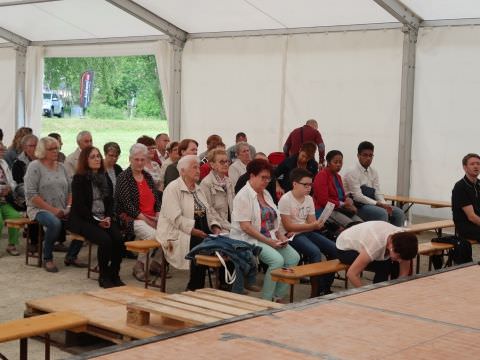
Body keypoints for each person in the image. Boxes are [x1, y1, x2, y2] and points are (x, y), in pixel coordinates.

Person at [230, 158, 300, 301]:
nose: (267, 181)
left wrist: (280, 236)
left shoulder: (266, 193)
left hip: (269, 237)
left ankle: (277, 295)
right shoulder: (243, 196)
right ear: (252, 176)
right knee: (277, 261)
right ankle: (265, 300)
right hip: (250, 239)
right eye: (263, 177)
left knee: (294, 257)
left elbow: (274, 219)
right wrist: (269, 241)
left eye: (269, 178)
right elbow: (246, 227)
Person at [156, 155, 224, 290]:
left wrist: (215, 226)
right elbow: (175, 218)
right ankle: (194, 286)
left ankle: (224, 285)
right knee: (201, 247)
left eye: (198, 167)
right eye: (194, 167)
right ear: (182, 171)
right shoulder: (172, 188)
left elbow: (209, 212)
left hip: (201, 230)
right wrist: (194, 231)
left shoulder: (198, 189)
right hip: (178, 232)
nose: (198, 170)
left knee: (227, 245)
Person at [24, 136, 85, 272]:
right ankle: (47, 257)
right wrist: (53, 210)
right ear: (42, 150)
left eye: (57, 148)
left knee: (84, 220)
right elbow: (31, 195)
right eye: (51, 149)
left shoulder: (62, 167)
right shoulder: (34, 167)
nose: (55, 151)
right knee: (55, 223)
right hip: (39, 209)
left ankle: (71, 256)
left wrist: (68, 207)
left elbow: (70, 191)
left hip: (62, 208)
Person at [69, 146, 124, 288]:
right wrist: (97, 221)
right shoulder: (79, 179)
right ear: (85, 160)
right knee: (105, 241)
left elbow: (110, 201)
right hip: (84, 219)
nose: (97, 159)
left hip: (103, 217)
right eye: (93, 157)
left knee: (118, 239)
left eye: (98, 156)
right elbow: (80, 207)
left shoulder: (104, 176)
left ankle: (114, 273)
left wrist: (108, 217)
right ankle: (103, 276)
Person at [278, 168, 338, 296]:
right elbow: (288, 227)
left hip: (301, 232)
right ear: (294, 184)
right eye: (305, 185)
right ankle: (315, 292)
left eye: (310, 184)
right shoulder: (285, 199)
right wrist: (310, 226)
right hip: (291, 236)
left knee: (334, 249)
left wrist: (313, 225)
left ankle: (325, 287)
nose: (309, 187)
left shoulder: (309, 199)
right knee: (315, 252)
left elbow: (312, 223)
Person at [115, 143, 162, 281]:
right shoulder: (123, 177)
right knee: (154, 236)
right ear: (130, 159)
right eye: (136, 159)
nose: (140, 163)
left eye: (143, 159)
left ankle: (155, 263)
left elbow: (156, 199)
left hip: (151, 217)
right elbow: (127, 205)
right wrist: (147, 220)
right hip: (131, 218)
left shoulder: (147, 176)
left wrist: (158, 214)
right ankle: (140, 265)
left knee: (170, 234)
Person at [336, 221, 418, 287]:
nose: (400, 260)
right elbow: (351, 274)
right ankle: (378, 292)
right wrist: (367, 295)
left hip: (366, 236)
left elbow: (403, 274)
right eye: (399, 256)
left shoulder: (404, 239)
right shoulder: (375, 246)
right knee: (384, 265)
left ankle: (389, 291)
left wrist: (398, 289)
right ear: (391, 246)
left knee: (394, 264)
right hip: (344, 248)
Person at [344, 141, 405, 227]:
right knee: (382, 213)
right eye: (365, 155)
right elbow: (358, 197)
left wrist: (384, 204)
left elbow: (377, 191)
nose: (368, 158)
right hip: (357, 205)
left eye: (370, 155)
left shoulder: (373, 171)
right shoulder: (352, 171)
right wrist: (379, 204)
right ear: (358, 156)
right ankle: (382, 239)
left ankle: (396, 238)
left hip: (371, 203)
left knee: (399, 213)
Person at [313, 150, 363, 227]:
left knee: (362, 224)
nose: (338, 165)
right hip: (325, 210)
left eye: (340, 162)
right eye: (335, 162)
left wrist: (348, 200)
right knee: (352, 226)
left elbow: (340, 196)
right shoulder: (322, 175)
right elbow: (323, 200)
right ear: (328, 163)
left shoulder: (338, 177)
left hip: (338, 209)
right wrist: (342, 204)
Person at [200, 149, 234, 231]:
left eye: (227, 161)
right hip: (217, 226)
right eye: (222, 162)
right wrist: (228, 226)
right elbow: (209, 210)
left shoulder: (229, 181)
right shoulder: (206, 183)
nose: (226, 164)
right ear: (212, 165)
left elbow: (233, 206)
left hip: (232, 224)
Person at [452, 153, 480, 241]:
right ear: (465, 167)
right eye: (472, 164)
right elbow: (471, 216)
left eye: (478, 164)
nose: (476, 166)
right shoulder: (460, 187)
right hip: (466, 227)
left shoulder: (479, 184)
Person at [0, 142, 22, 256]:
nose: (3, 151)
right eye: (0, 149)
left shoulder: (3, 163)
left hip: (4, 200)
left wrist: (10, 188)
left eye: (3, 149)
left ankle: (11, 245)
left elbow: (12, 181)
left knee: (16, 217)